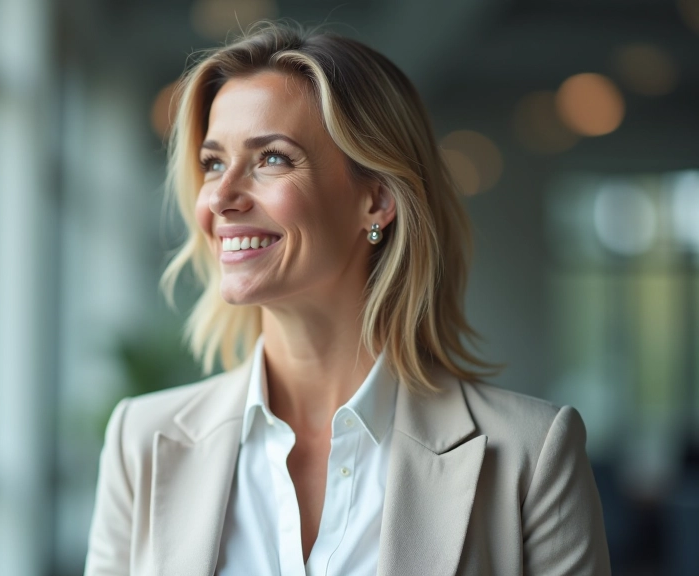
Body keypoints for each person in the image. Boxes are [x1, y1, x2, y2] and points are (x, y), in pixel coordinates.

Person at [85, 22, 610, 576]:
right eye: (213, 163)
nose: (220, 196)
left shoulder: (531, 454)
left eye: (272, 159)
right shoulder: (141, 441)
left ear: (376, 200)